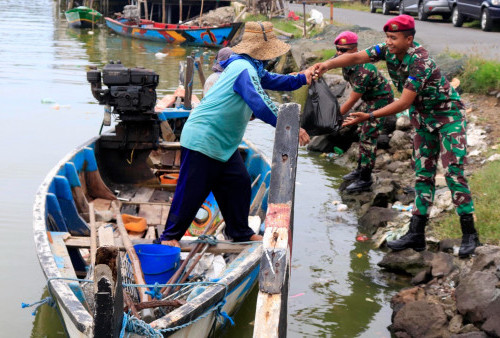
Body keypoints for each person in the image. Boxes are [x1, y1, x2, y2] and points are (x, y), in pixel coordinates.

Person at [313, 15, 480, 258]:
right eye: (387, 37)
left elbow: (402, 103)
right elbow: (358, 56)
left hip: (448, 118)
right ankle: (416, 233)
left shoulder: (420, 62)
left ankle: (470, 235)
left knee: (453, 173)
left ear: (409, 39)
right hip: (423, 119)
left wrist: (368, 116)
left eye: (393, 37)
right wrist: (327, 65)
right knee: (423, 175)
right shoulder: (387, 50)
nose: (388, 42)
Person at [156, 21, 312, 248]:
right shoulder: (242, 69)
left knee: (238, 183)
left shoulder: (252, 68)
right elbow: (261, 104)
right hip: (204, 138)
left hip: (223, 143)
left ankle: (238, 232)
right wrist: (291, 126)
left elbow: (274, 81)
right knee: (192, 191)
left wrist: (302, 78)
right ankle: (169, 237)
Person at [333, 31, 394, 193]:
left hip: (381, 100)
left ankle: (366, 178)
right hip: (369, 99)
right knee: (363, 133)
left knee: (369, 136)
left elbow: (352, 100)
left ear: (355, 50)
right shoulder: (341, 60)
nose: (339, 53)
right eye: (338, 49)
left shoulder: (364, 70)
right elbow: (326, 65)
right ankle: (360, 169)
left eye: (344, 50)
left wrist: (334, 117)